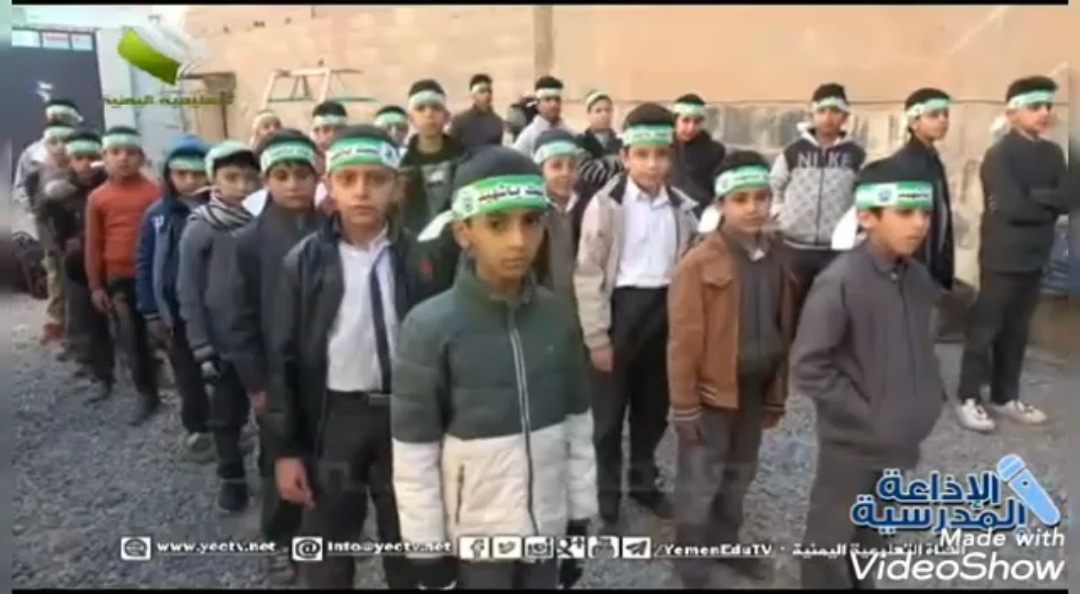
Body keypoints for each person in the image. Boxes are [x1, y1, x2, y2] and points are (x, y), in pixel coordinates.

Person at [394, 146, 596, 590]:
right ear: (463, 231)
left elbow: (578, 428)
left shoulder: (557, 316)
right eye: (498, 224)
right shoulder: (429, 327)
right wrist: (427, 552)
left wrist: (578, 519)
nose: (518, 241)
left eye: (531, 221)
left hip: (546, 528)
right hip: (476, 540)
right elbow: (414, 454)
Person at [270, 125, 427, 588]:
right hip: (335, 418)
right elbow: (283, 360)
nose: (361, 191)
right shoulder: (304, 262)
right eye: (348, 178)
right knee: (329, 543)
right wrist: (286, 451)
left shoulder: (420, 257)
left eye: (376, 179)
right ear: (330, 186)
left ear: (396, 187)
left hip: (405, 416)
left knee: (409, 537)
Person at [792, 158, 946, 589]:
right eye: (905, 212)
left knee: (874, 533)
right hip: (854, 443)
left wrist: (927, 399)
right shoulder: (840, 281)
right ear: (867, 216)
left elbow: (923, 346)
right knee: (831, 538)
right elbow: (810, 365)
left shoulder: (918, 279)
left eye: (925, 212)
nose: (919, 224)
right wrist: (868, 415)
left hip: (901, 440)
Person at [667, 151, 799, 587]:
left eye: (761, 197)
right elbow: (682, 343)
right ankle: (691, 562)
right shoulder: (698, 263)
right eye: (741, 199)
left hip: (754, 388)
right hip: (711, 394)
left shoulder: (777, 256)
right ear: (721, 204)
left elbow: (783, 327)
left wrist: (777, 392)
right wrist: (684, 405)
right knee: (701, 479)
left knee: (740, 473)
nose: (753, 207)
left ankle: (726, 543)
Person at [574, 103, 698, 534]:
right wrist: (597, 337)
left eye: (661, 154)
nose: (652, 164)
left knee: (652, 411)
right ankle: (607, 495)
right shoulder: (605, 205)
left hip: (662, 315)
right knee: (607, 419)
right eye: (642, 154)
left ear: (671, 157)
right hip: (619, 314)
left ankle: (644, 484)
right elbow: (588, 273)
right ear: (625, 156)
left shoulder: (683, 209)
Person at [227, 128, 326, 585]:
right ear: (266, 180)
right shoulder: (248, 241)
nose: (293, 184)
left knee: (327, 453)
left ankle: (323, 530)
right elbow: (238, 317)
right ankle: (280, 538)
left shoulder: (334, 230)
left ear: (316, 176)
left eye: (302, 174)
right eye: (281, 175)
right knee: (279, 457)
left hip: (327, 370)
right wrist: (255, 382)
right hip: (275, 373)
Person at [956, 76, 1067, 432]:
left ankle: (1005, 396)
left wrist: (1038, 199)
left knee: (1017, 331)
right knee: (985, 329)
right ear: (1012, 112)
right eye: (1035, 106)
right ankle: (968, 397)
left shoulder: (1053, 153)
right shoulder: (1000, 155)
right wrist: (1044, 202)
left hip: (1037, 255)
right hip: (1002, 257)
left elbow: (1067, 198)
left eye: (1047, 106)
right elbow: (1011, 206)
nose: (1044, 113)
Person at [178, 141, 260, 512]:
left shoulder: (265, 221)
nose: (242, 186)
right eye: (231, 177)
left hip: (260, 337)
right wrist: (201, 344)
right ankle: (232, 477)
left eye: (249, 178)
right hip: (222, 341)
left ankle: (273, 473)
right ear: (214, 181)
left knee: (272, 411)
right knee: (226, 416)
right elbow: (189, 291)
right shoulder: (201, 228)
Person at [135, 134, 214, 459]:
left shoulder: (222, 212)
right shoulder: (157, 216)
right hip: (176, 313)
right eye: (182, 174)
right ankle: (198, 428)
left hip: (214, 309)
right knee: (187, 373)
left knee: (223, 372)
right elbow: (144, 262)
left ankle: (229, 427)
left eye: (198, 173)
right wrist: (151, 311)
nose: (190, 181)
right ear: (169, 175)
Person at [84, 126, 163, 424]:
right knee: (132, 338)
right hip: (119, 279)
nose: (123, 158)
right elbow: (94, 244)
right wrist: (96, 285)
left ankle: (188, 393)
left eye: (130, 152)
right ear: (104, 157)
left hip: (153, 277)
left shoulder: (155, 192)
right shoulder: (98, 198)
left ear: (141, 157)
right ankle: (146, 393)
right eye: (115, 152)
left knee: (167, 334)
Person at [769, 83, 866, 313]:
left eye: (835, 111)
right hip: (794, 246)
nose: (828, 117)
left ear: (845, 116)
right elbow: (774, 184)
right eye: (822, 111)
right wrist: (779, 213)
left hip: (836, 248)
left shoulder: (856, 155)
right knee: (792, 305)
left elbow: (863, 195)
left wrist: (856, 229)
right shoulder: (793, 152)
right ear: (812, 115)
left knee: (830, 307)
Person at [36, 128, 110, 389]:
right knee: (80, 311)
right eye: (79, 158)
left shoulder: (108, 185)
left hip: (107, 258)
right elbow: (43, 216)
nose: (86, 164)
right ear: (69, 160)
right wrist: (54, 246)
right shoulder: (58, 190)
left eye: (92, 157)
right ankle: (88, 363)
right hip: (74, 260)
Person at [889, 88, 957, 335]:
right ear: (914, 121)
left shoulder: (932, 160)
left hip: (931, 265)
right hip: (915, 264)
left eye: (946, 114)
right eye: (934, 115)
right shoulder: (907, 163)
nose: (943, 120)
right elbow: (903, 221)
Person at [28, 119, 77, 344]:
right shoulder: (38, 174)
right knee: (55, 277)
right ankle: (56, 320)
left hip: (78, 234)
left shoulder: (83, 168)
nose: (59, 147)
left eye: (64, 141)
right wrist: (48, 243)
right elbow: (38, 214)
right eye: (53, 142)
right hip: (53, 236)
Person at [533, 128, 586, 307]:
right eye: (556, 166)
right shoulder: (533, 211)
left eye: (572, 166)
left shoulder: (589, 206)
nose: (565, 173)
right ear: (540, 170)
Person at [14, 99, 82, 208]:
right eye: (53, 116)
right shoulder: (32, 153)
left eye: (64, 116)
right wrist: (31, 211)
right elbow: (20, 189)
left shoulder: (86, 151)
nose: (58, 119)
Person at [669, 93, 726, 211]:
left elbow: (720, 187)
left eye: (697, 122)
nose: (691, 127)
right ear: (675, 121)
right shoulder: (663, 148)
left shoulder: (715, 151)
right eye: (685, 120)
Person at [513, 76, 573, 156]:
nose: (553, 105)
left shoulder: (570, 134)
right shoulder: (527, 137)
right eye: (547, 99)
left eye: (557, 100)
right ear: (538, 104)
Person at [449, 73, 504, 150]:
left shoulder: (497, 123)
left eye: (489, 91)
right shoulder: (460, 121)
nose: (487, 95)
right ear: (473, 95)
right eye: (482, 91)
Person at [579, 90, 621, 159]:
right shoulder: (581, 143)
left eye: (608, 110)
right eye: (598, 111)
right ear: (589, 114)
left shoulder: (619, 142)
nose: (604, 114)